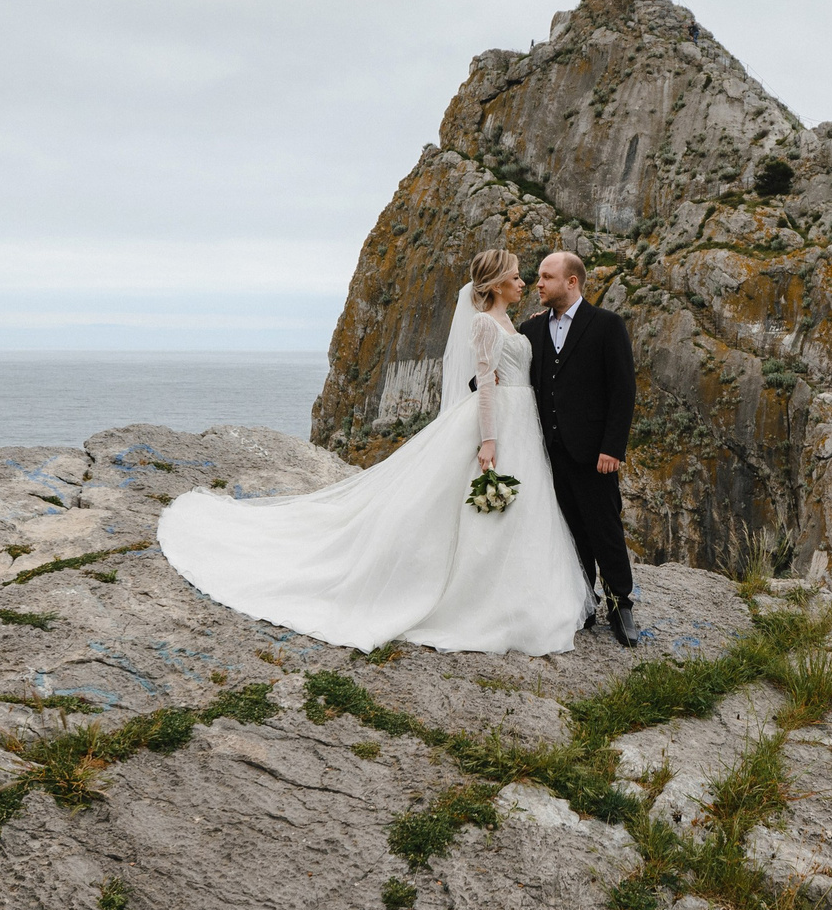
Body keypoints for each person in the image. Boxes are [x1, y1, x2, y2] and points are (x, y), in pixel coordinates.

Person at [156, 250, 586, 655]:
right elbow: (487, 383)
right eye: (514, 275)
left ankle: (516, 593)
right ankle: (477, 596)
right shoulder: (484, 325)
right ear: (495, 284)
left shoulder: (513, 323)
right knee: (478, 505)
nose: (523, 280)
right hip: (499, 420)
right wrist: (489, 439)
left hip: (523, 420)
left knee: (522, 508)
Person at [525, 251, 639, 647]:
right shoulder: (533, 328)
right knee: (570, 529)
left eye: (546, 276)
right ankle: (583, 600)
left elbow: (623, 391)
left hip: (594, 453)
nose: (538, 283)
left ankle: (621, 603)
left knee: (604, 525)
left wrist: (613, 447)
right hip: (550, 452)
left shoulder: (607, 325)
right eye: (539, 276)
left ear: (571, 281)